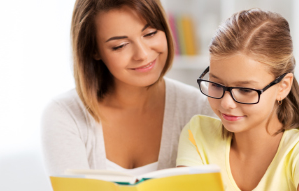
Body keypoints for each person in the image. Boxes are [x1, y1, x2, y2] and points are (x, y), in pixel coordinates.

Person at [176, 9, 299, 191]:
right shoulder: (198, 134)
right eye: (217, 85)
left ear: (283, 86)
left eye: (245, 90)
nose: (227, 103)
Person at [42, 0, 213, 177]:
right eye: (120, 45)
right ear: (94, 50)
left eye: (150, 33)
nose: (143, 54)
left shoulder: (201, 109)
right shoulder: (65, 115)